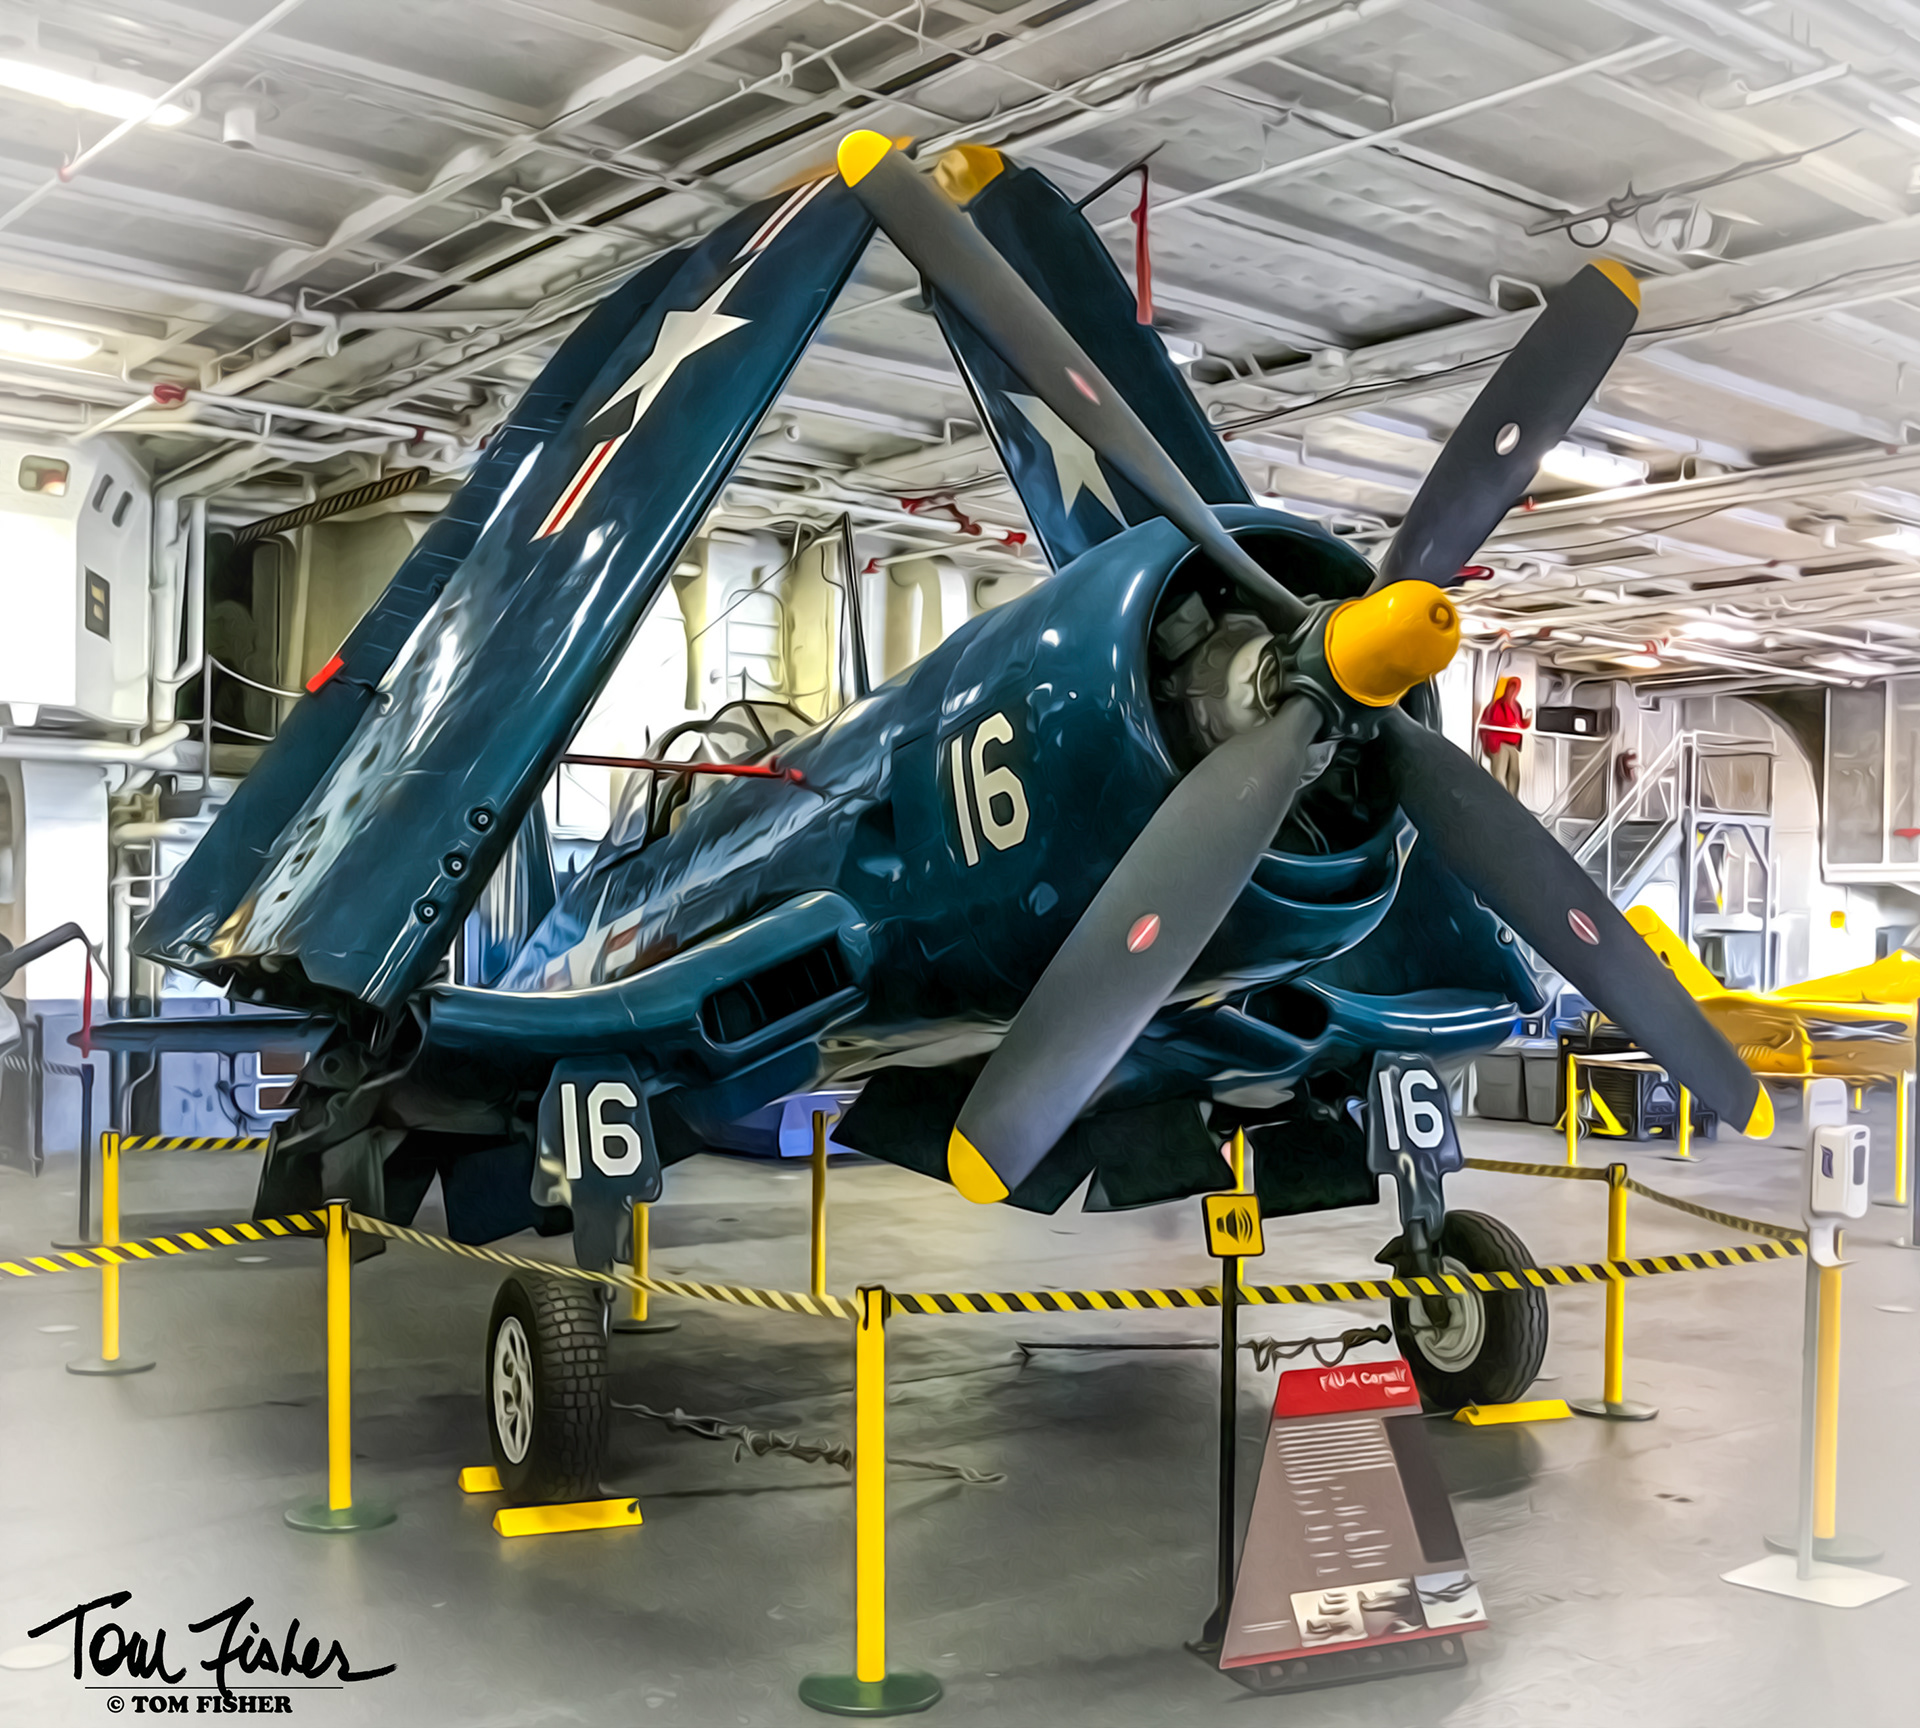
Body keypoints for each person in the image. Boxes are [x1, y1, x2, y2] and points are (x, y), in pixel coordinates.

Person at [1477, 675, 1529, 795]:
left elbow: (1520, 724)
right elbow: (1489, 728)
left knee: (1514, 774)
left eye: (1515, 688)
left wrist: (1527, 721)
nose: (1513, 691)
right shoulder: (1495, 706)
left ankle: (1512, 802)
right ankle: (1499, 800)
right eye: (1511, 687)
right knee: (1499, 774)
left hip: (1512, 745)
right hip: (1499, 744)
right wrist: (1494, 746)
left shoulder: (1516, 707)